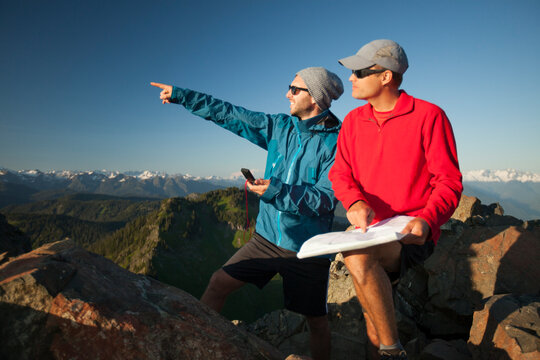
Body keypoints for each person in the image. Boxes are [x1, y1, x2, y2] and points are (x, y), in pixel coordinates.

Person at [151, 67, 343, 360]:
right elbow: (232, 115)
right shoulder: (280, 127)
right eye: (289, 87)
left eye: (294, 89)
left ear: (315, 98)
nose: (287, 94)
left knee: (316, 320)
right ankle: (194, 347)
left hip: (307, 248)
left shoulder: (337, 142)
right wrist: (183, 97)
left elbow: (327, 199)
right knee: (218, 283)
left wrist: (276, 190)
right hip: (266, 238)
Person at [328, 39, 463, 360]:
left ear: (386, 76)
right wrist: (354, 203)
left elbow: (449, 181)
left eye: (359, 71)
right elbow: (340, 174)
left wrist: (428, 222)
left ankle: (393, 352)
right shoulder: (352, 122)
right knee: (372, 324)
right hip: (371, 230)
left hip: (410, 235)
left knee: (356, 255)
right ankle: (384, 347)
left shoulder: (429, 116)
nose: (351, 79)